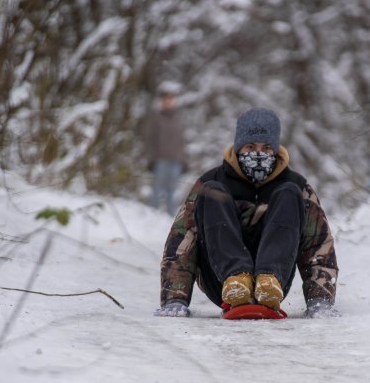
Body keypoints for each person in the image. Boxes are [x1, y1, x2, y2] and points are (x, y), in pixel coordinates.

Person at [155, 108, 339, 318]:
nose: (258, 154)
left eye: (266, 147)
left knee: (289, 193)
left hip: (275, 283)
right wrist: (174, 298)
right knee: (212, 193)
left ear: (276, 150)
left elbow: (318, 245)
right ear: (238, 147)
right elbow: (182, 242)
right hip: (221, 281)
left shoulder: (297, 186)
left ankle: (267, 279)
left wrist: (320, 300)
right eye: (250, 147)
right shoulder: (210, 181)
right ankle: (236, 278)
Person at [144, 83, 185, 215]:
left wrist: (184, 160)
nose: (168, 102)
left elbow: (181, 141)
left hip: (176, 161)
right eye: (165, 99)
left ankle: (170, 220)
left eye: (170, 99)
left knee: (172, 192)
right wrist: (151, 159)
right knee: (156, 190)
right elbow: (149, 140)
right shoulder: (156, 118)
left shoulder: (178, 119)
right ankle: (151, 216)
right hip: (160, 160)